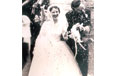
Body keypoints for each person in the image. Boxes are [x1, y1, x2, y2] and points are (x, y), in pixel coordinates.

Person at [28, 5, 82, 76]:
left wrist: (71, 35)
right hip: (47, 47)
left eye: (57, 12)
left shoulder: (62, 24)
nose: (55, 14)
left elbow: (64, 36)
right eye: (53, 12)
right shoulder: (46, 24)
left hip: (60, 47)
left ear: (59, 13)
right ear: (50, 13)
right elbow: (41, 37)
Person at [66, 0, 91, 76]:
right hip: (72, 40)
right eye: (79, 9)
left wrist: (85, 28)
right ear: (74, 8)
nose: (81, 11)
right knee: (73, 61)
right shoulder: (68, 14)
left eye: (82, 8)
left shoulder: (86, 12)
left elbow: (88, 24)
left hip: (83, 40)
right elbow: (67, 27)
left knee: (83, 62)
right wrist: (73, 31)